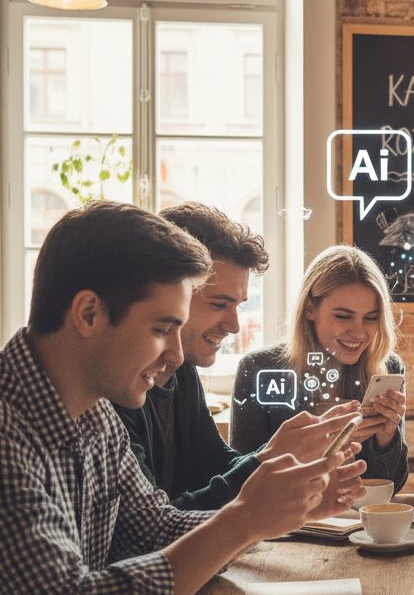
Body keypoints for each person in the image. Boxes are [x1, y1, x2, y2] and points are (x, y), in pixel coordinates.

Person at [0, 202, 366, 595]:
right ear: (89, 313)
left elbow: (158, 528)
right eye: (162, 328)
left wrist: (279, 512)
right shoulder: (5, 428)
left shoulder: (91, 414)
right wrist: (244, 518)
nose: (175, 355)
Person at [114, 203, 349, 510]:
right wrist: (271, 459)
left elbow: (214, 465)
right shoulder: (116, 386)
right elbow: (156, 527)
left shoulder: (182, 371)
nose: (235, 326)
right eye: (219, 304)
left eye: (238, 305)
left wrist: (289, 457)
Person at [231, 245, 409, 490]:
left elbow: (392, 487)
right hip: (287, 524)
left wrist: (387, 438)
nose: (359, 332)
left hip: (359, 525)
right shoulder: (259, 368)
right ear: (310, 310)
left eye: (371, 317)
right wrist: (315, 447)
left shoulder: (387, 368)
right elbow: (243, 482)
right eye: (343, 316)